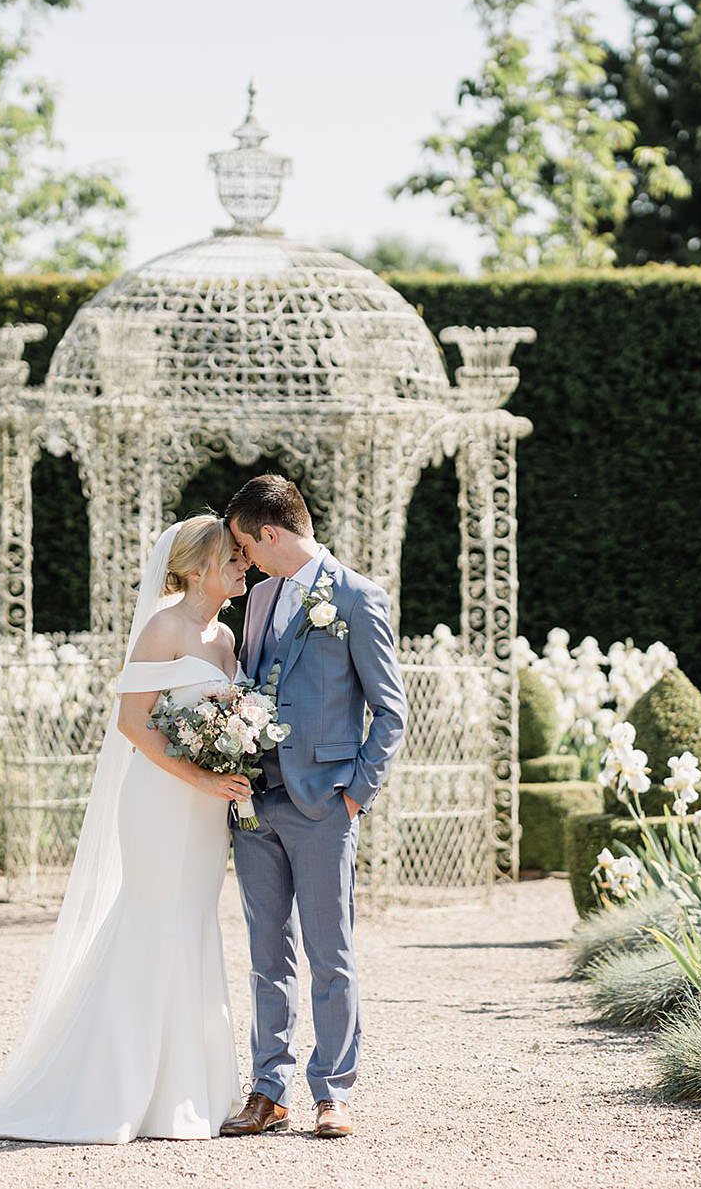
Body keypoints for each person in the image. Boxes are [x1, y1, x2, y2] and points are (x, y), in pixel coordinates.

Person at [0, 514, 252, 1143]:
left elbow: (219, 712)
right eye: (232, 556)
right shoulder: (163, 627)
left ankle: (184, 1090)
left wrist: (229, 749)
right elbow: (132, 723)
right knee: (151, 919)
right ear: (198, 566)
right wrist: (197, 776)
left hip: (204, 810)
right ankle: (117, 1086)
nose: (244, 563)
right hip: (160, 800)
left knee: (194, 921)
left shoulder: (225, 637)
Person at [221, 474, 408, 1140]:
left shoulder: (358, 597)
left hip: (323, 805)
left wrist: (354, 794)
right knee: (266, 955)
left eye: (245, 545)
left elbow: (390, 711)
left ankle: (333, 1090)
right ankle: (268, 1089)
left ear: (270, 532)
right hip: (253, 805)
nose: (243, 561)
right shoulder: (261, 596)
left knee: (331, 953)